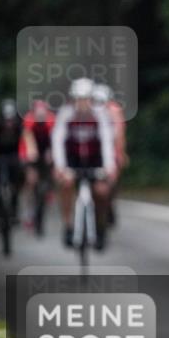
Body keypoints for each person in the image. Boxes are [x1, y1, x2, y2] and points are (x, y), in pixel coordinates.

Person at [52, 78, 117, 249]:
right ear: (74, 99)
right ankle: (67, 225)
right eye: (79, 99)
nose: (83, 103)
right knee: (65, 185)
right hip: (72, 160)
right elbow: (58, 141)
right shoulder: (66, 114)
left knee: (102, 192)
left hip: (95, 159)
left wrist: (109, 166)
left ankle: (101, 227)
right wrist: (60, 167)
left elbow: (107, 142)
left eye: (87, 99)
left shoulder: (100, 115)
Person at [92, 84, 127, 226]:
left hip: (111, 149)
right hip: (93, 151)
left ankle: (109, 204)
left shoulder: (114, 110)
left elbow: (119, 134)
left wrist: (120, 153)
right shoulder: (88, 111)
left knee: (111, 180)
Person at [0, 99, 25, 227]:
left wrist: (30, 152)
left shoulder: (18, 125)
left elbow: (27, 138)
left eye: (11, 120)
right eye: (6, 120)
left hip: (12, 157)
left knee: (15, 185)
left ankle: (14, 212)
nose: (9, 123)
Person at [21, 99, 55, 234]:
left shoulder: (52, 119)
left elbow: (55, 137)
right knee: (31, 181)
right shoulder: (29, 119)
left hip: (46, 152)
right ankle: (28, 213)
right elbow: (27, 137)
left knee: (53, 172)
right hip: (32, 153)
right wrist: (30, 151)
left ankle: (50, 189)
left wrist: (51, 152)